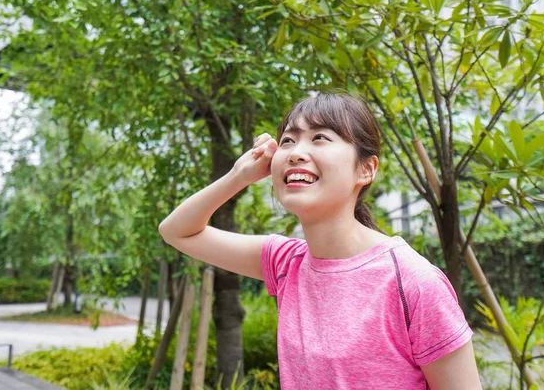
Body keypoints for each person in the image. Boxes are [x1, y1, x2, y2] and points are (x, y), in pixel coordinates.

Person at [159, 93, 482, 389]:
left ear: (366, 169)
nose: (297, 152)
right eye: (287, 140)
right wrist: (238, 176)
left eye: (319, 138)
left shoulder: (411, 281)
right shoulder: (286, 263)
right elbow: (177, 231)